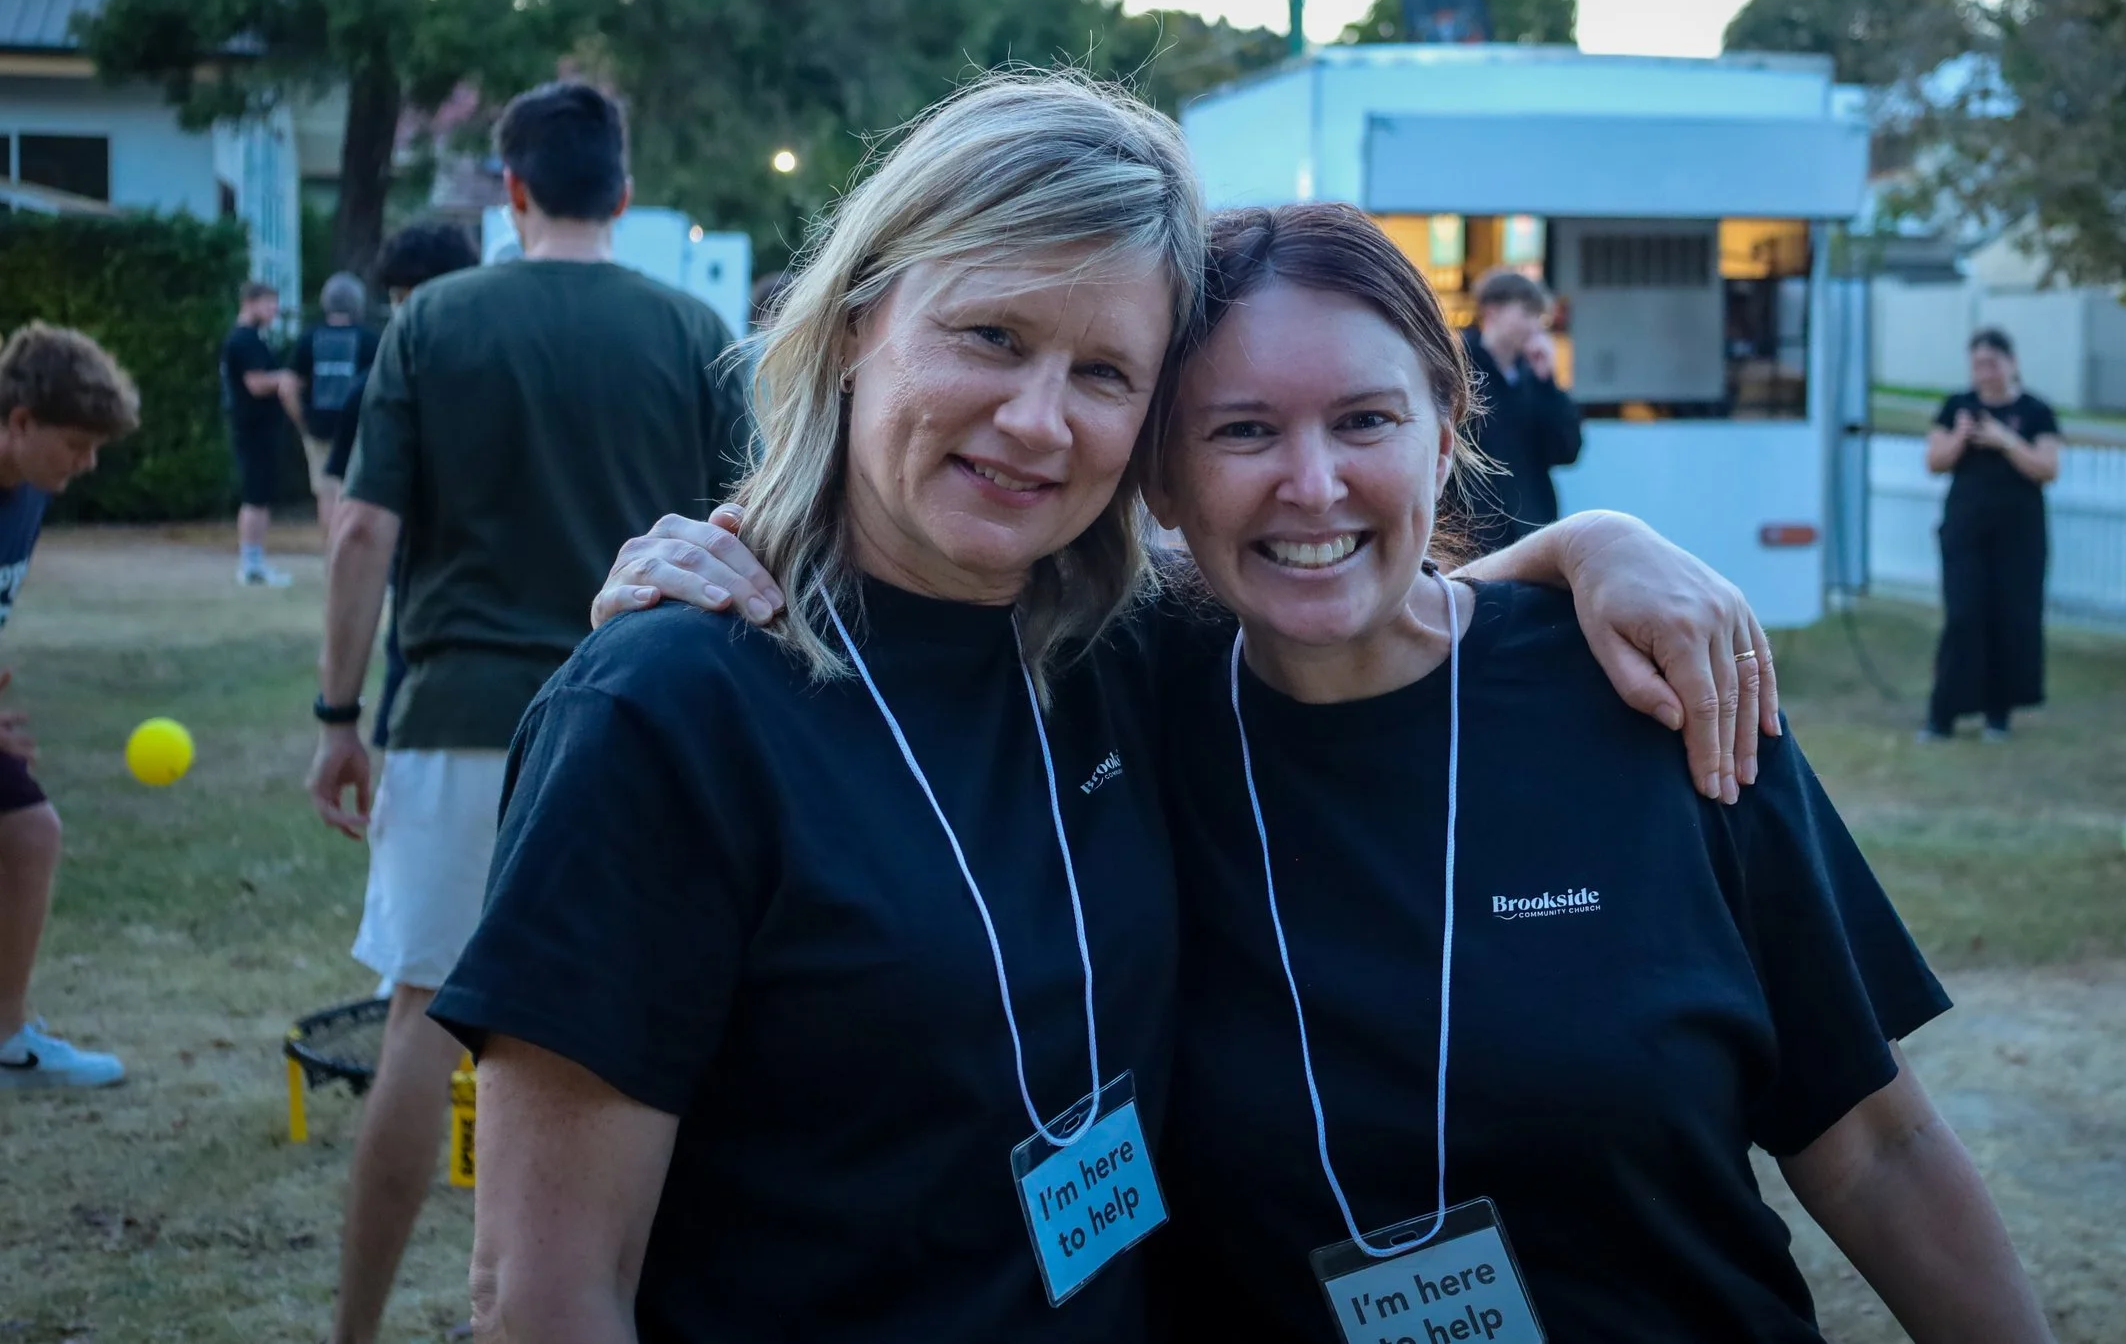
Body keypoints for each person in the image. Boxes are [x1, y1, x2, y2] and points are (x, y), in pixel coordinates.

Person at [433, 73, 1776, 1344]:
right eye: (991, 336)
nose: (1036, 419)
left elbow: (1346, 578)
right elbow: (541, 1292)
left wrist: (1585, 543)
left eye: (1105, 372)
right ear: (856, 322)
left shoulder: (1123, 657)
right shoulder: (669, 709)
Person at [1139, 204, 2051, 1342]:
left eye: (1365, 418)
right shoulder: (1118, 719)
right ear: (1162, 480)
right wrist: (1587, 537)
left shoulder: (1655, 689)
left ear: (1442, 433)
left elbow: (1873, 1142)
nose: (1312, 483)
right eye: (1241, 430)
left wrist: (1599, 537)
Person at [303, 82, 749, 1344]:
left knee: (421, 1010)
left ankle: (355, 1331)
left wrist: (339, 711)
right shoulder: (689, 327)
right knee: (631, 1049)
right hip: (650, 729)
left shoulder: (436, 319)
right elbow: (753, 532)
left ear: (509, 190)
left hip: (456, 713)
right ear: (620, 187)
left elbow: (362, 532)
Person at [0, 323, 142, 1089]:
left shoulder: (28, 491)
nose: (86, 464)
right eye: (76, 444)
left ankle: (6, 1037)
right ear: (20, 422)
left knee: (27, 831)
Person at [323, 223, 482, 752]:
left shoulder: (496, 379)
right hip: (421, 625)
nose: (403, 314)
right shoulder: (375, 389)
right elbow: (349, 508)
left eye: (414, 298)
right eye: (395, 299)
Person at [1921, 327, 2061, 743]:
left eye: (1992, 363)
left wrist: (2005, 440)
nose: (1984, 372)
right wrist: (1962, 435)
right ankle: (1942, 713)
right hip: (1966, 531)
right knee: (1963, 616)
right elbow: (1934, 461)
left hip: (2018, 536)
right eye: (1978, 363)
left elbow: (2047, 468)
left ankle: (1998, 714)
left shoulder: (2035, 412)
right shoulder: (1957, 408)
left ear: (2011, 364)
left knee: (2010, 617)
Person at [1459, 269, 1581, 548]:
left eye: (1539, 316)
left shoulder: (1533, 378)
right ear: (1493, 312)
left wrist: (1548, 383)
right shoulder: (1458, 372)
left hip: (1532, 530)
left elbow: (1567, 450)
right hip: (1475, 536)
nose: (1535, 326)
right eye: (1526, 314)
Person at [279, 272, 381, 536]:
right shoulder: (371, 339)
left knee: (326, 491)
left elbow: (287, 387)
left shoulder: (308, 338)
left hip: (319, 427)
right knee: (359, 492)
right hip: (360, 429)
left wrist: (303, 421)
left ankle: (332, 552)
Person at [222, 280, 292, 586]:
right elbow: (257, 383)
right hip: (252, 427)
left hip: (256, 426)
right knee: (255, 495)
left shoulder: (251, 339)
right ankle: (250, 563)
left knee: (260, 495)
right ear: (250, 302)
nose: (274, 310)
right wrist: (290, 379)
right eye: (269, 303)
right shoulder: (244, 341)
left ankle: (255, 560)